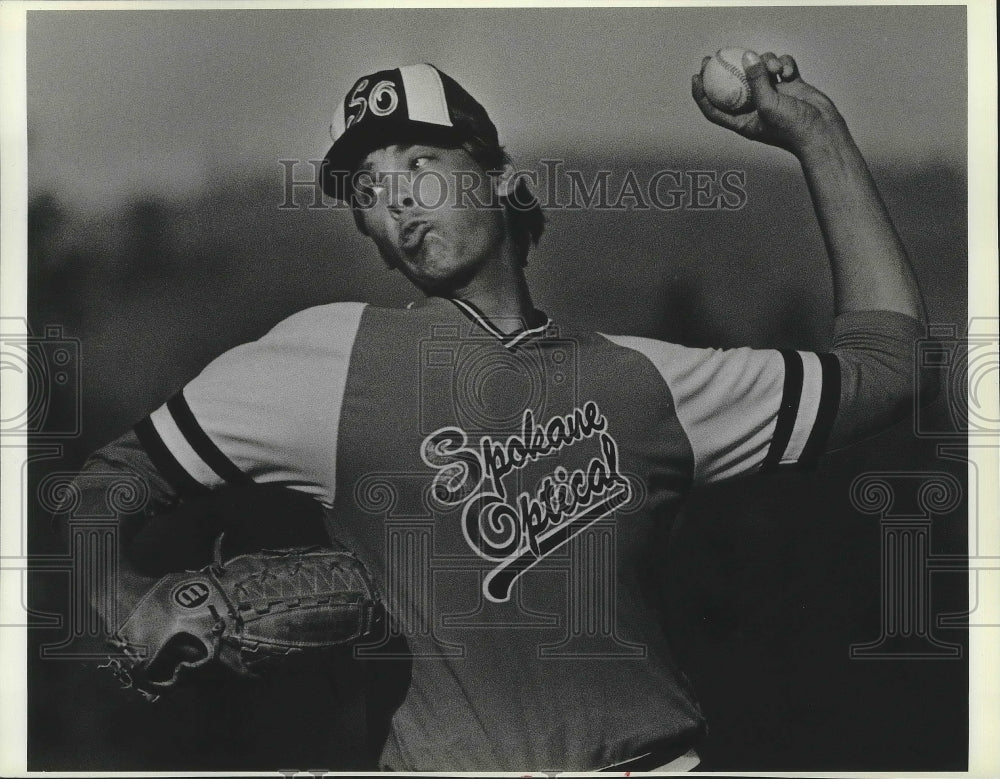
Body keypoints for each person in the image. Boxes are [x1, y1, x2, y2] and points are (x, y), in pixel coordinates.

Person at [68, 54, 931, 772]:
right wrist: (119, 592)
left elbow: (886, 373)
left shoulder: (647, 381)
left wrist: (819, 134)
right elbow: (102, 484)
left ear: (497, 172)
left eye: (420, 163)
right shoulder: (322, 361)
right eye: (368, 188)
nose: (397, 198)